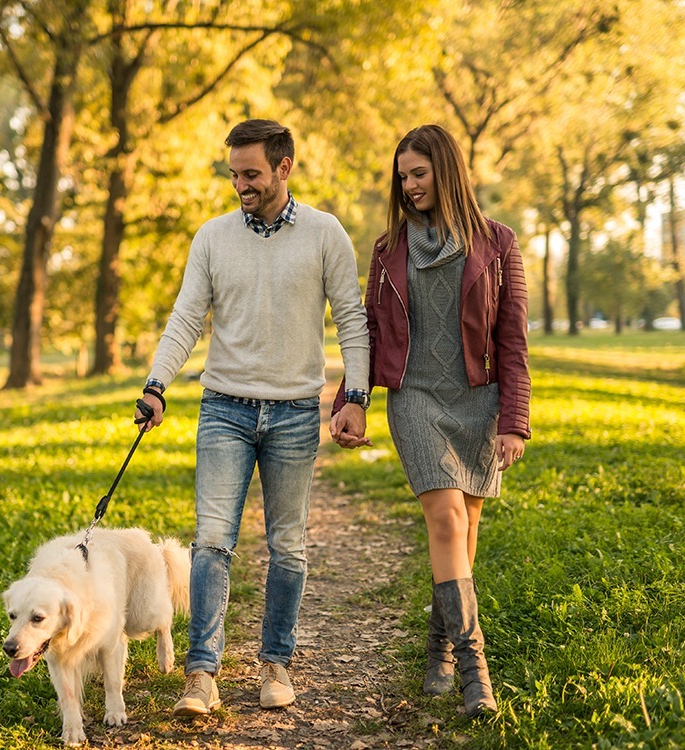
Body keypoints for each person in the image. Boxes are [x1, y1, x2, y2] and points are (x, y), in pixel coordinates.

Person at [135, 119, 371, 716]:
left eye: (251, 174)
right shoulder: (213, 237)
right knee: (212, 542)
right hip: (224, 409)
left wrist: (357, 397)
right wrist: (157, 384)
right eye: (233, 173)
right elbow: (186, 317)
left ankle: (275, 663)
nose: (239, 184)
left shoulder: (325, 233)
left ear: (284, 168)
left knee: (287, 546)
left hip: (295, 412)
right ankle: (201, 674)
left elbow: (352, 319)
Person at [330, 124, 531, 718]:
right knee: (445, 517)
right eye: (403, 177)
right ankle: (477, 671)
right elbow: (367, 330)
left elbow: (512, 340)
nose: (409, 185)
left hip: (478, 400)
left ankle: (440, 647)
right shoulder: (388, 249)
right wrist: (353, 398)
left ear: (447, 170)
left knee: (465, 527)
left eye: (418, 173)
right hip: (415, 397)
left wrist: (513, 419)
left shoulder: (499, 243)